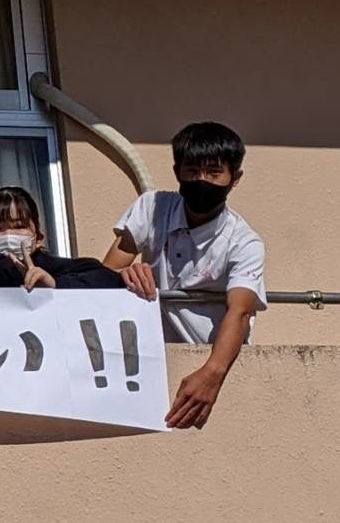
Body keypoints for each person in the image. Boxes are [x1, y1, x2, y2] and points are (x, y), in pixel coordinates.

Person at [103, 121, 266, 429]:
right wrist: (126, 273)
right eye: (192, 170)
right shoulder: (152, 208)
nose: (201, 180)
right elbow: (106, 274)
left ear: (235, 178)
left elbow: (241, 312)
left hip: (209, 359)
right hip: (150, 357)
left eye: (214, 172)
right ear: (177, 171)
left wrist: (212, 373)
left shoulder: (244, 242)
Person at [0, 186, 126, 291]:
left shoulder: (59, 268)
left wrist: (55, 284)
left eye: (19, 226)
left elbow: (108, 279)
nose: (8, 235)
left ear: (38, 238)